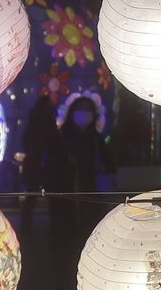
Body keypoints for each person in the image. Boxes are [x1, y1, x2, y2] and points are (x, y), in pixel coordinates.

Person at [46, 97, 116, 244]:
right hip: (65, 197)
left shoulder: (96, 139)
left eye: (88, 110)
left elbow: (109, 164)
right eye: (80, 109)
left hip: (91, 197)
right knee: (66, 240)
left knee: (89, 237)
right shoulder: (61, 137)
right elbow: (51, 168)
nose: (84, 114)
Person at [16, 93, 56, 227]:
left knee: (31, 195)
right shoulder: (46, 122)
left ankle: (26, 225)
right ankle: (49, 224)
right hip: (41, 162)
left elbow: (26, 141)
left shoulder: (33, 122)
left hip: (34, 162)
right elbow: (52, 141)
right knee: (42, 195)